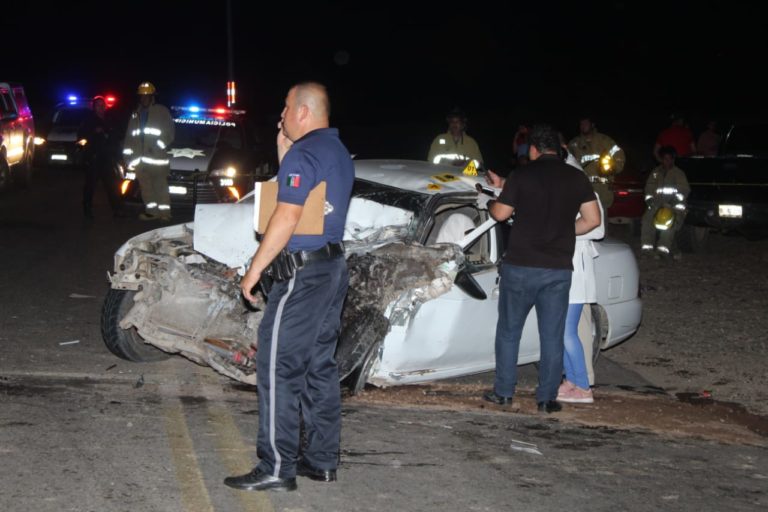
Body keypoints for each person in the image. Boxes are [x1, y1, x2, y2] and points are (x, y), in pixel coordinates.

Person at [224, 82, 354, 493]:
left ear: (302, 112)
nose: (280, 116)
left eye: (285, 108)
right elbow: (308, 198)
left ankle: (277, 466)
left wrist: (253, 271)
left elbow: (287, 215)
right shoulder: (335, 150)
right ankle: (321, 460)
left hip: (302, 275)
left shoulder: (307, 152)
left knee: (278, 367)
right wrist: (285, 153)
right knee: (318, 366)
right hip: (331, 268)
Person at [483, 124, 601, 413]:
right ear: (559, 150)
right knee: (552, 335)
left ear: (534, 149)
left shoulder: (522, 175)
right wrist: (563, 232)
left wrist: (490, 202)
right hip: (557, 269)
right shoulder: (577, 178)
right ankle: (547, 399)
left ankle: (504, 392)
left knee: (509, 332)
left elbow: (501, 214)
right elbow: (593, 220)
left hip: (521, 266)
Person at [122, 81, 174, 221]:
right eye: (142, 96)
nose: (144, 98)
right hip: (140, 161)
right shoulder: (135, 114)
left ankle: (165, 214)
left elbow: (169, 133)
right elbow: (129, 137)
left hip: (157, 160)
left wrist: (156, 147)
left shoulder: (161, 111)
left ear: (152, 97)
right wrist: (127, 157)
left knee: (160, 187)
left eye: (147, 96)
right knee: (146, 188)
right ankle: (152, 212)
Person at [641, 145, 690, 259]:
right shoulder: (655, 172)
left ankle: (663, 251)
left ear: (673, 159)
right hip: (657, 204)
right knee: (647, 219)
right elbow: (649, 188)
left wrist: (672, 202)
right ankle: (647, 250)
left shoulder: (679, 174)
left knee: (667, 222)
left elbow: (684, 190)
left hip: (674, 207)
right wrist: (650, 200)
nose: (667, 161)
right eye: (664, 158)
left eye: (669, 159)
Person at [77, 96, 122, 218]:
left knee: (112, 185)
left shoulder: (110, 119)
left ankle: (117, 210)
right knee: (90, 185)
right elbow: (81, 138)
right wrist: (93, 133)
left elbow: (116, 135)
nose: (101, 107)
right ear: (94, 107)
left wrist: (116, 153)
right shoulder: (88, 121)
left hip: (107, 158)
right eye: (98, 105)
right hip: (94, 158)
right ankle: (87, 209)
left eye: (102, 105)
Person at [568, 116, 625, 209]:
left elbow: (619, 157)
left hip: (603, 189)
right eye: (581, 124)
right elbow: (566, 164)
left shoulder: (605, 141)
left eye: (586, 123)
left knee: (602, 214)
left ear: (592, 125)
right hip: (582, 188)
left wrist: (612, 168)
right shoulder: (574, 144)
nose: (583, 126)